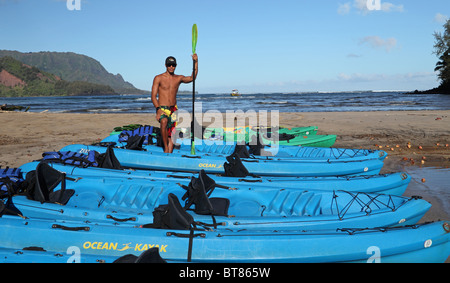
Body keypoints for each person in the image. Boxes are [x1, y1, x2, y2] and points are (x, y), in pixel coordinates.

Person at [151, 54, 198, 153]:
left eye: (173, 65)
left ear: (175, 66)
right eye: (169, 65)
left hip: (173, 109)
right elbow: (153, 96)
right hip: (162, 108)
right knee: (164, 122)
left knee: (172, 134)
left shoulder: (178, 78)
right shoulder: (158, 78)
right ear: (165, 65)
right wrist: (158, 109)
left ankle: (169, 153)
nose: (171, 67)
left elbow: (192, 77)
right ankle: (166, 148)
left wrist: (196, 62)